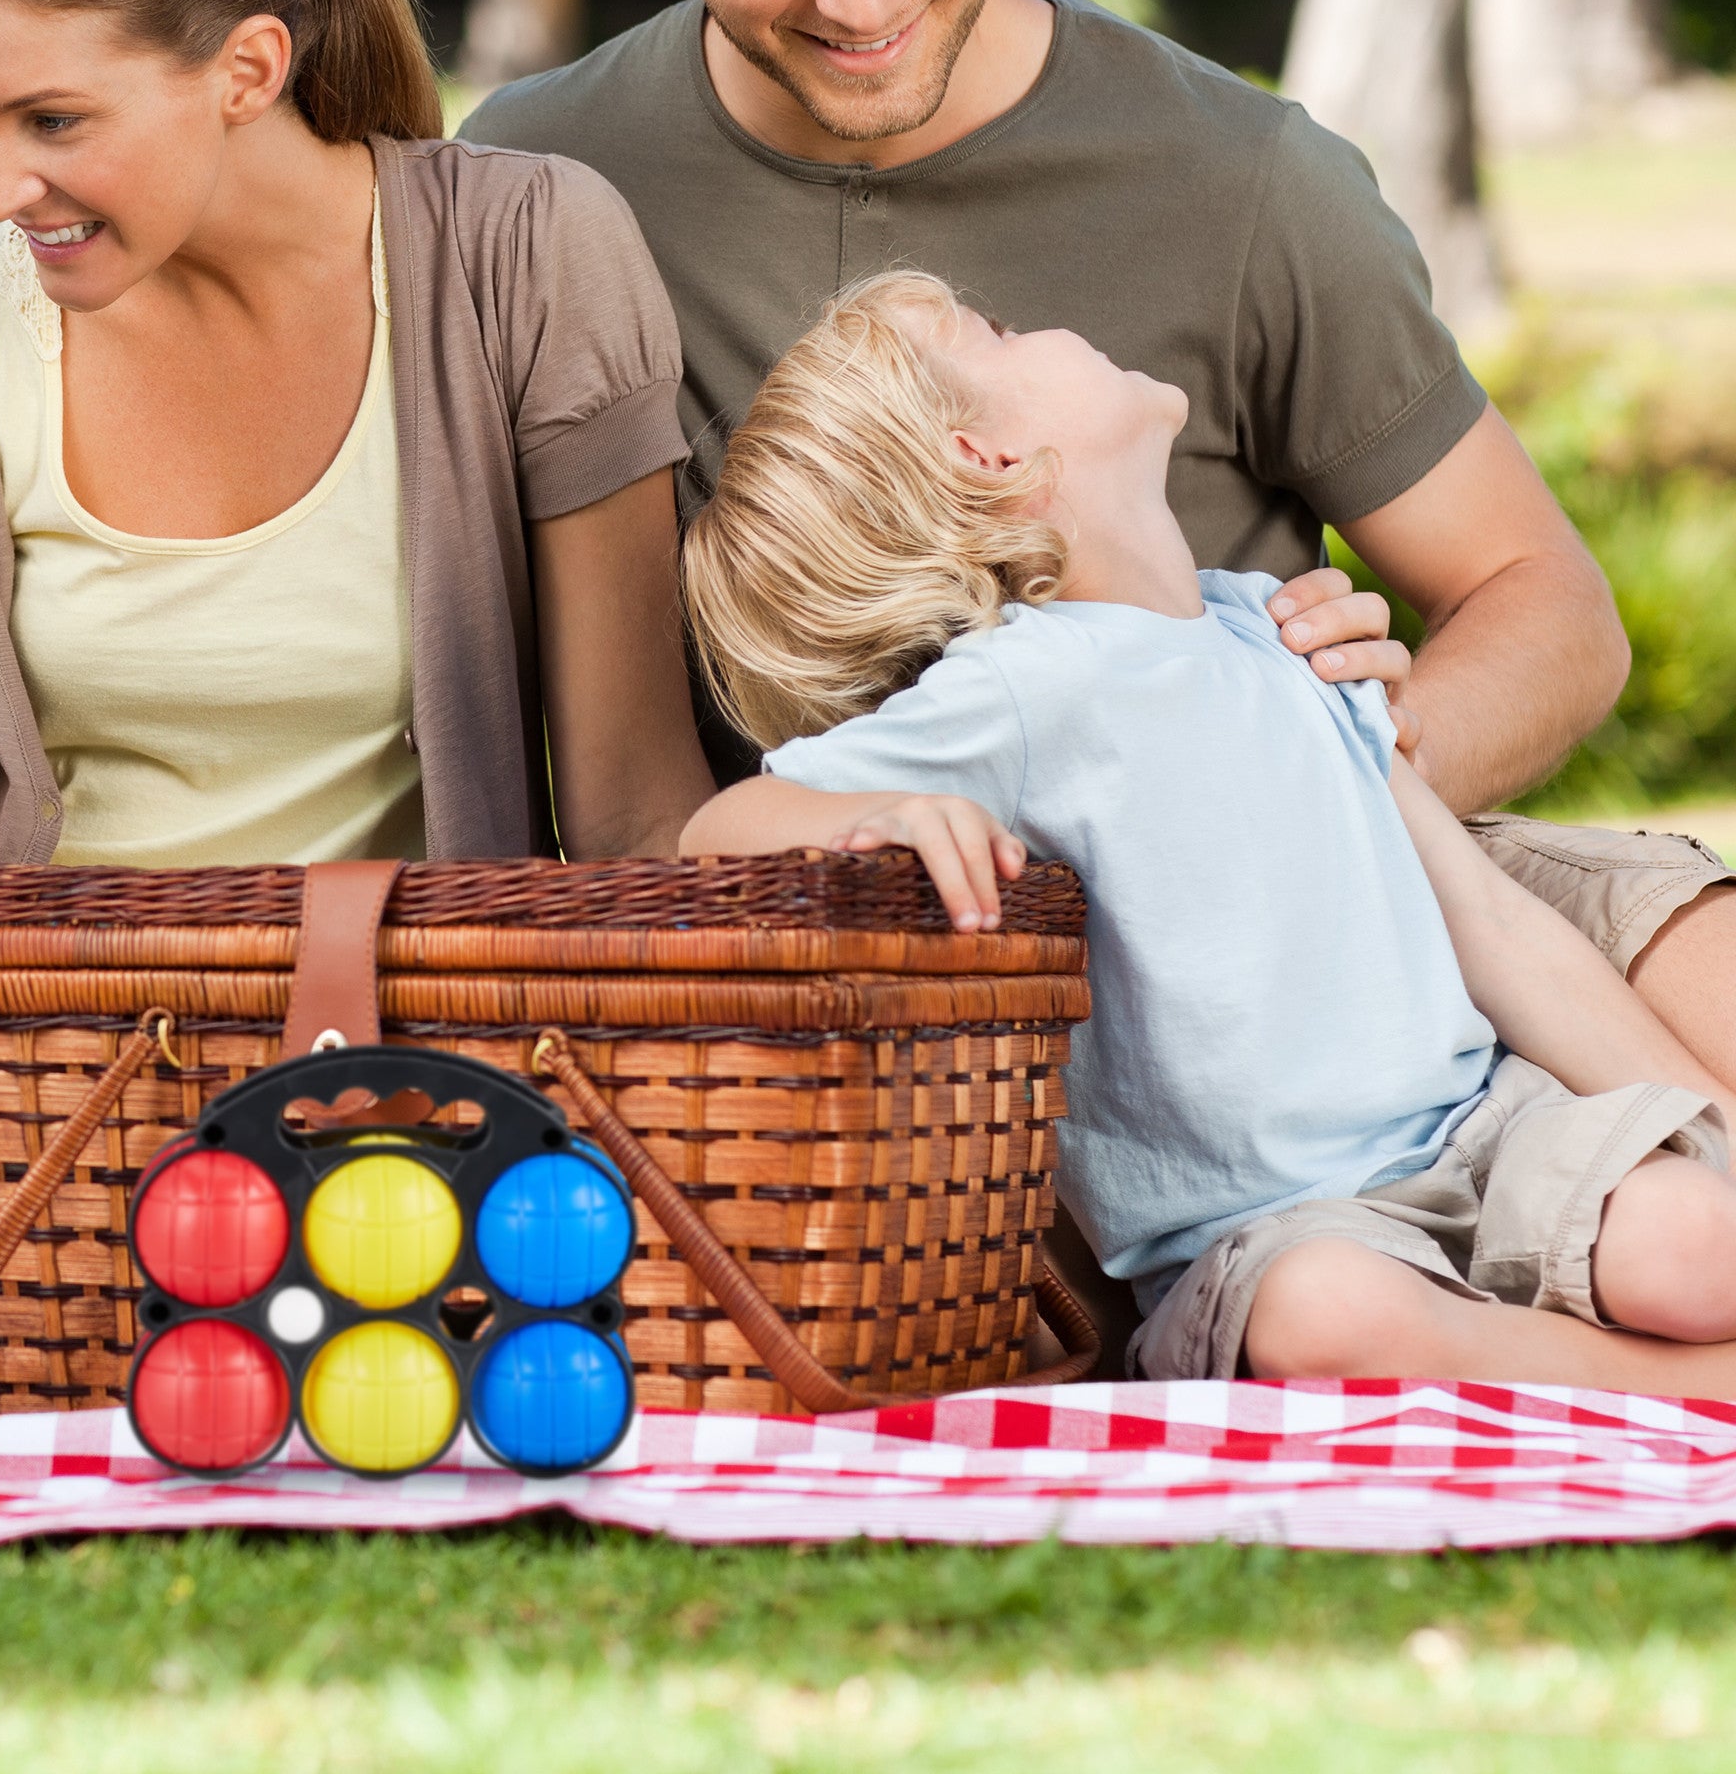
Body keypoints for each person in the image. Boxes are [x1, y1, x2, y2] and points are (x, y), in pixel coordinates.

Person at [461, 0, 1736, 1090]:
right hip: (876, 983)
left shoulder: (1244, 179)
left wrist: (1299, 765)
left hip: (1331, 905)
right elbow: (618, 798)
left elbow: (1548, 606)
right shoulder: (537, 182)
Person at [677, 273, 1736, 1387]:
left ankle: (1566, 1360)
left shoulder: (1271, 626)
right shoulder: (1023, 691)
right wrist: (875, 809)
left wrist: (1709, 1132)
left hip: (1485, 1134)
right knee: (1321, 1322)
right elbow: (718, 831)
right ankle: (1691, 1391)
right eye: (997, 329)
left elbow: (1491, 923)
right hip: (1276, 1231)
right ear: (987, 459)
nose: (1039, 318)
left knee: (1698, 1241)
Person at [0, 0, 710, 911]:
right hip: (39, 1063)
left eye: (53, 120)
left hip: (399, 1067)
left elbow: (634, 812)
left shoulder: (524, 257)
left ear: (248, 69)